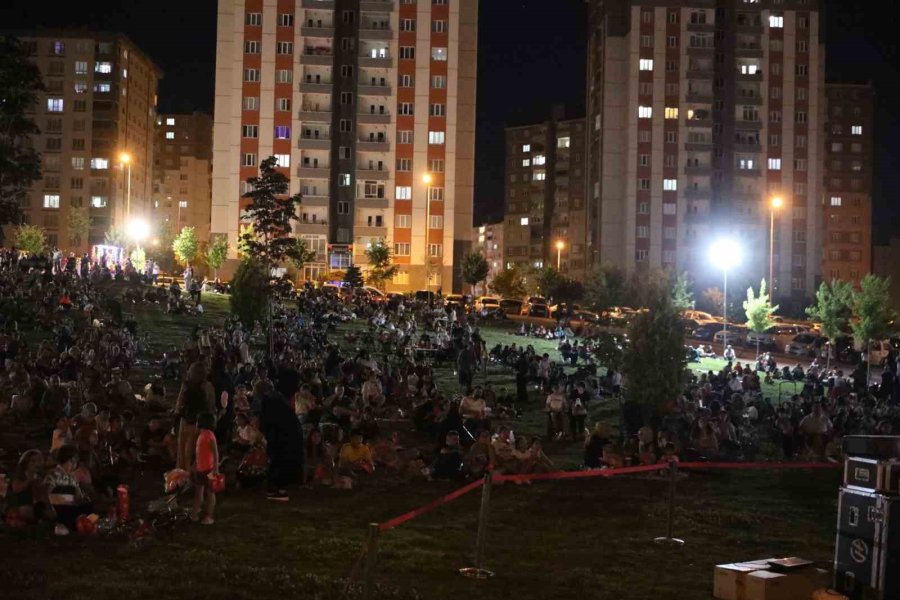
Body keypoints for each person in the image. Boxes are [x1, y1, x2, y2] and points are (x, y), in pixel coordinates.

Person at [174, 362, 216, 470]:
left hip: (186, 420)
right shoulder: (207, 386)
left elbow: (179, 403)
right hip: (199, 422)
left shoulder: (186, 385)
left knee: (183, 449)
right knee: (193, 450)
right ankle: (191, 472)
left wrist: (177, 414)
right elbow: (211, 405)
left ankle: (182, 471)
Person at [44, 445, 92, 535]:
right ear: (69, 460)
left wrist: (82, 498)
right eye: (74, 461)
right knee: (68, 490)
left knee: (87, 505)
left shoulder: (71, 478)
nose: (75, 465)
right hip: (57, 507)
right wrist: (70, 498)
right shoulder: (54, 474)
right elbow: (48, 494)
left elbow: (79, 495)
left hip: (71, 506)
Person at [191, 412, 219, 525]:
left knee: (210, 493)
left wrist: (215, 468)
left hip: (209, 469)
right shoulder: (201, 435)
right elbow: (199, 453)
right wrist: (194, 465)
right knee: (199, 492)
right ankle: (195, 513)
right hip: (200, 469)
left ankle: (209, 516)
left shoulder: (209, 435)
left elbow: (215, 453)